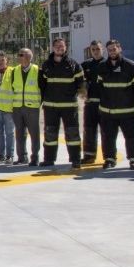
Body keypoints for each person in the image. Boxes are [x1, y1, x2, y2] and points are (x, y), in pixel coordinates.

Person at [38, 38, 84, 169]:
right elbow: (41, 85)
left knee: (72, 134)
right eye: (57, 46)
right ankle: (49, 159)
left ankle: (75, 159)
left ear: (66, 48)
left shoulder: (74, 65)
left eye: (62, 46)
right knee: (50, 134)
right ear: (52, 48)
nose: (60, 48)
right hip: (51, 107)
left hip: (69, 107)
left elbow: (80, 84)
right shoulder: (46, 65)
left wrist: (76, 95)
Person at [96, 39, 134, 170]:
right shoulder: (102, 67)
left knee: (131, 137)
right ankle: (110, 159)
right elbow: (100, 87)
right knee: (108, 137)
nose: (112, 52)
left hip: (127, 111)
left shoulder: (131, 66)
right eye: (109, 50)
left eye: (114, 49)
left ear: (119, 49)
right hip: (108, 111)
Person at [9, 48, 41, 167]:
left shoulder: (37, 70)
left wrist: (38, 102)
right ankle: (22, 157)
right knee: (20, 133)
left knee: (34, 133)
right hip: (17, 107)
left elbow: (42, 88)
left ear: (28, 57)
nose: (18, 57)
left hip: (32, 108)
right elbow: (13, 87)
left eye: (20, 55)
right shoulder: (14, 71)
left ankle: (35, 157)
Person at [81, 40, 105, 164]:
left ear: (103, 50)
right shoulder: (85, 65)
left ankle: (109, 157)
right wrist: (82, 90)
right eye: (93, 49)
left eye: (98, 49)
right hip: (90, 103)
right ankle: (89, 156)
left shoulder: (107, 64)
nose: (95, 51)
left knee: (106, 131)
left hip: (105, 104)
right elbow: (80, 82)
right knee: (89, 130)